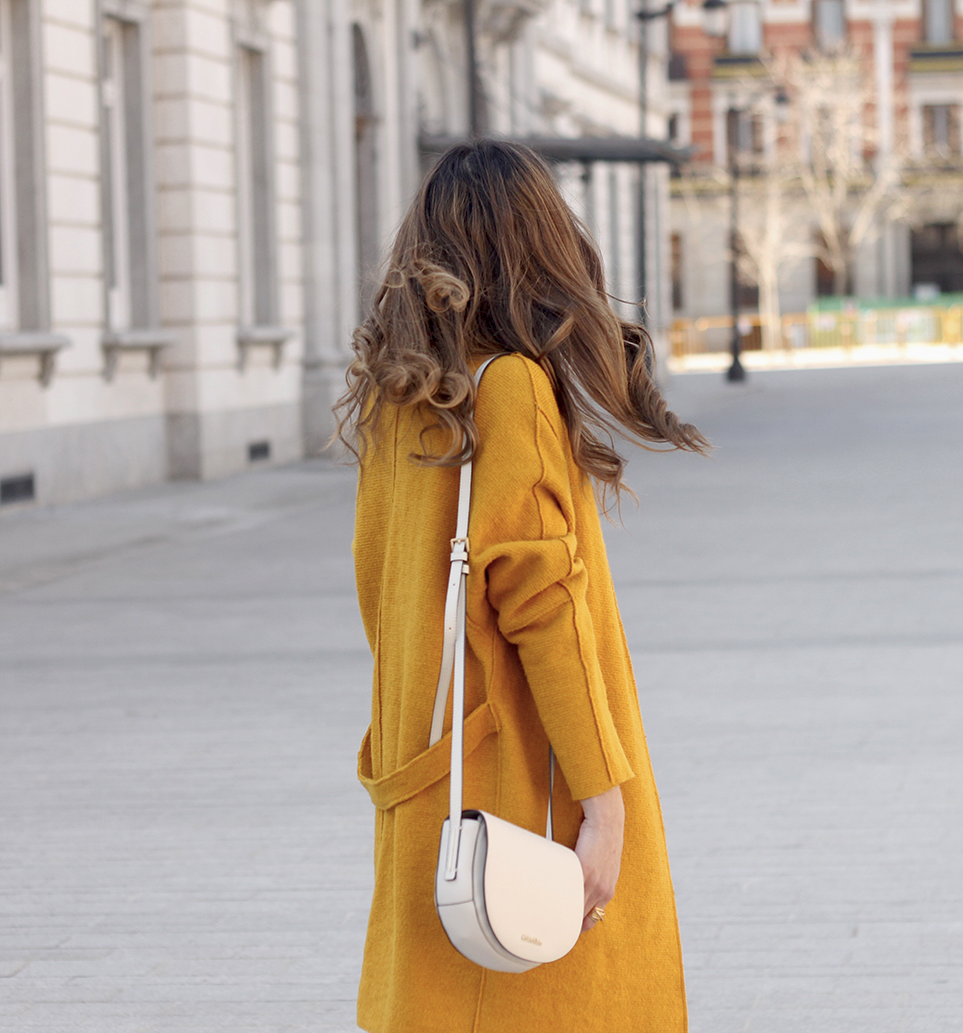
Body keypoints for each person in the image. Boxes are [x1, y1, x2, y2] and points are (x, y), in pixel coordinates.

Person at [335, 139, 708, 1033]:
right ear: (534, 248)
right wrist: (605, 801)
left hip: (432, 777)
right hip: (518, 785)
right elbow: (546, 611)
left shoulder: (404, 403)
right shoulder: (512, 392)